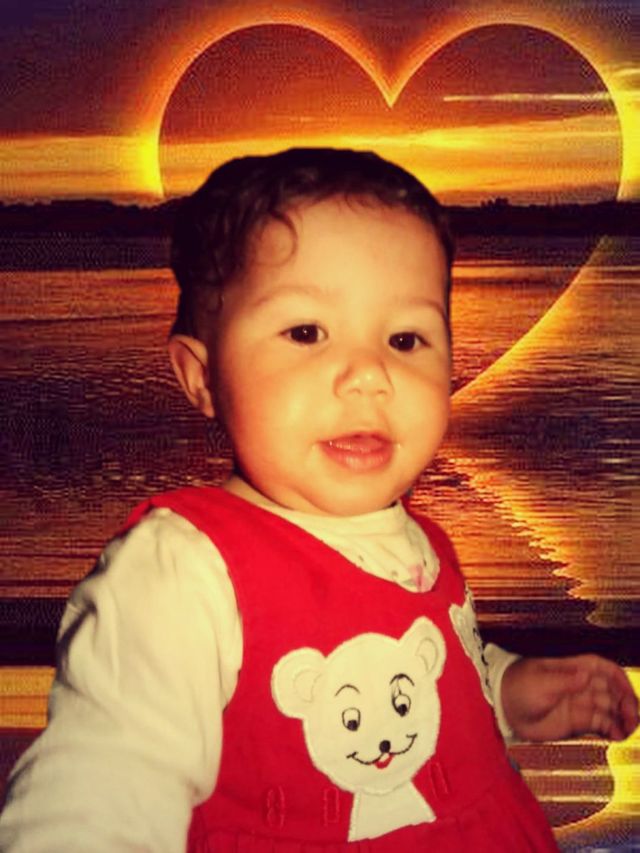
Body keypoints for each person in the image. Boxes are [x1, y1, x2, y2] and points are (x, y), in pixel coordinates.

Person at [0, 148, 637, 852]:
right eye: (305, 332)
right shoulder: (181, 569)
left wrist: (507, 690)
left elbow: (413, 675)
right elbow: (103, 787)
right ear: (203, 376)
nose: (369, 373)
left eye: (406, 338)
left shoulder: (424, 540)